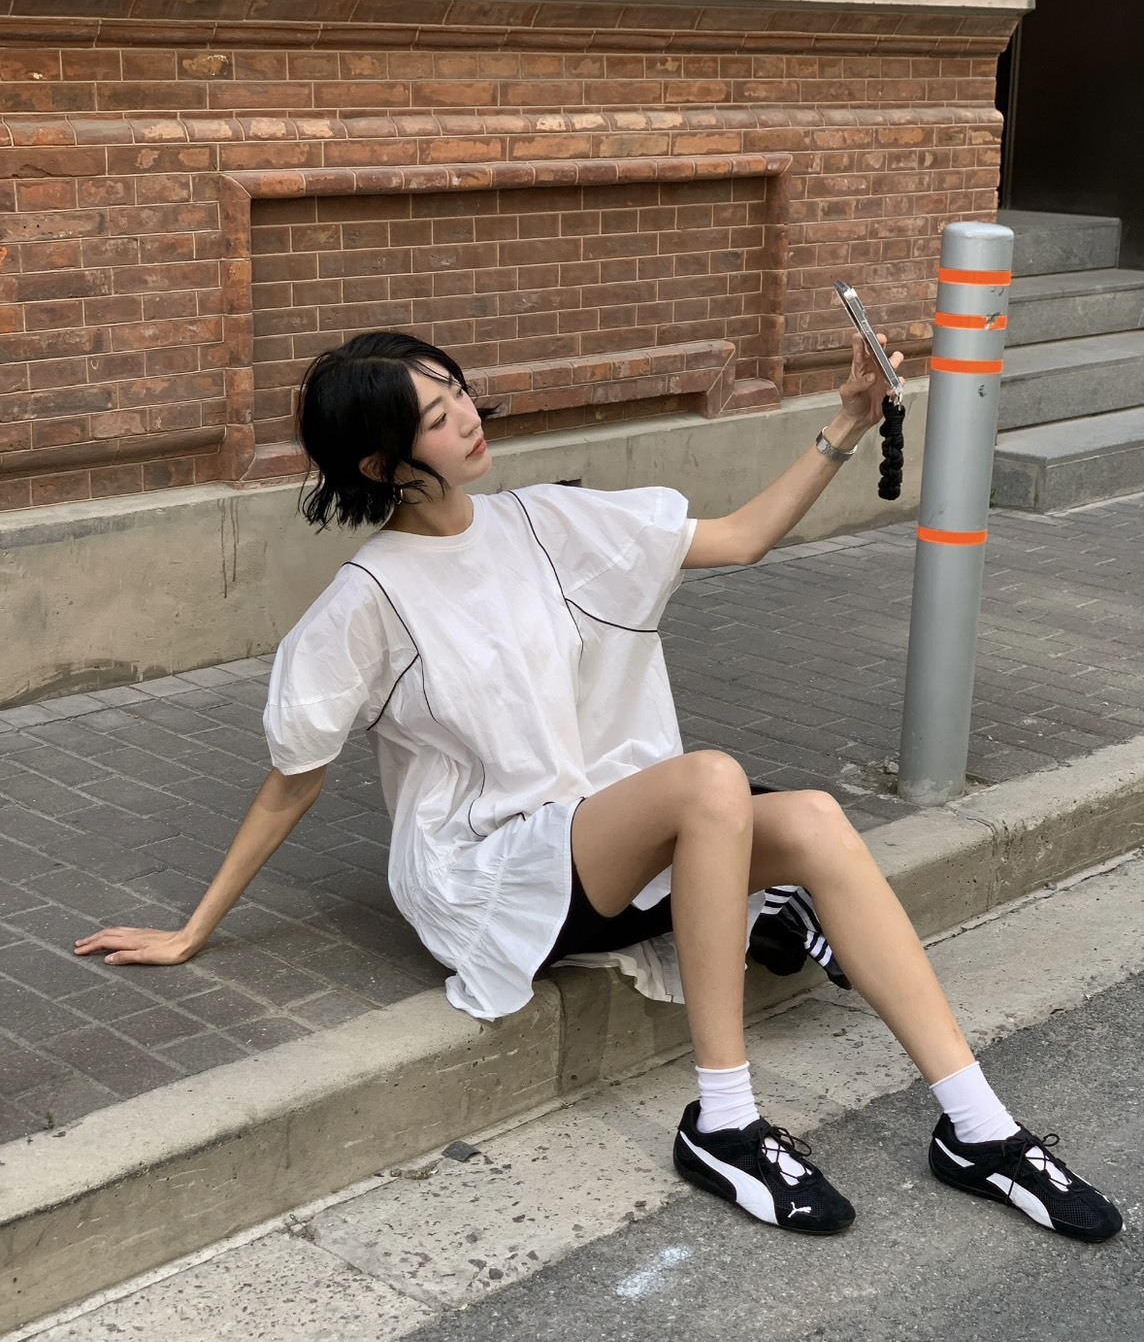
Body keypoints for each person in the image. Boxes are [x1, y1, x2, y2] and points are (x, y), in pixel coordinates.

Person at [76, 329, 1122, 1244]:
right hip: (492, 873)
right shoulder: (367, 600)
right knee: (709, 782)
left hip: (610, 839)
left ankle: (978, 1126)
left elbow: (741, 538)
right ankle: (724, 1118)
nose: (468, 418)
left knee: (811, 818)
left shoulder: (545, 520)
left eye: (458, 393)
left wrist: (847, 422)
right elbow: (291, 783)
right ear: (382, 462)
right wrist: (192, 929)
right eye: (436, 417)